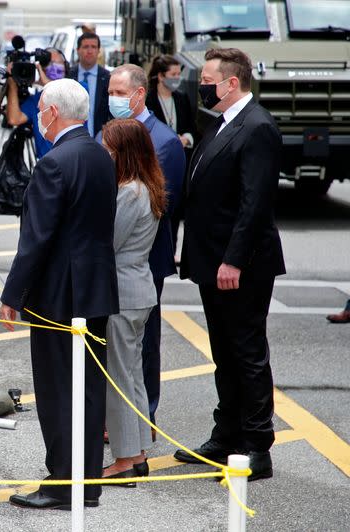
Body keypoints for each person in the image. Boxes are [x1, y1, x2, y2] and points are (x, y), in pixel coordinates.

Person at [0, 78, 119, 509]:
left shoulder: (55, 162)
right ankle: (86, 482)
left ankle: (62, 484)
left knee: (56, 390)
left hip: (58, 294)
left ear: (52, 112)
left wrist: (13, 293)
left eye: (42, 109)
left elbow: (37, 238)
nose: (38, 117)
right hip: (95, 290)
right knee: (87, 390)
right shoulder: (101, 155)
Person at [174, 48, 285, 482]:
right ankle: (227, 434)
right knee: (224, 352)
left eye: (207, 78)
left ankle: (257, 445)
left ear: (231, 82)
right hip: (212, 262)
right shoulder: (222, 122)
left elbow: (254, 203)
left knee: (247, 352)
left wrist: (233, 260)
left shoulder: (257, 126)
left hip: (241, 265)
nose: (201, 85)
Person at [106, 64, 185, 429]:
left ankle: (143, 415)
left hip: (142, 259)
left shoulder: (163, 141)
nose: (113, 99)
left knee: (141, 347)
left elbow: (157, 206)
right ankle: (122, 420)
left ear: (140, 94)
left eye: (121, 93)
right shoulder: (114, 133)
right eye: (111, 92)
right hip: (120, 262)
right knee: (119, 350)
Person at [100, 118, 165, 482]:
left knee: (120, 379)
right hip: (138, 290)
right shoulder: (146, 186)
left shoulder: (129, 192)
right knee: (133, 376)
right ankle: (137, 451)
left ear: (123, 151)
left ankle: (125, 459)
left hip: (124, 293)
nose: (105, 152)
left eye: (110, 147)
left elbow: (110, 242)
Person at [146, 54, 198, 249]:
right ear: (161, 76)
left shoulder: (181, 98)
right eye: (173, 74)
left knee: (176, 206)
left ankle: (172, 246)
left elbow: (192, 127)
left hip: (179, 159)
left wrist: (186, 138)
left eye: (179, 74)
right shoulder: (149, 99)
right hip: (156, 160)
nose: (177, 78)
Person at [4, 48, 67, 159]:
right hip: (47, 164)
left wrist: (45, 82)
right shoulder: (37, 99)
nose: (54, 66)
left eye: (58, 63)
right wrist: (12, 84)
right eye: (50, 63)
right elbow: (14, 119)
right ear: (41, 69)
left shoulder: (79, 89)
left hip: (72, 162)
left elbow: (60, 93)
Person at [68, 32, 111, 137]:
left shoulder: (108, 78)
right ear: (78, 50)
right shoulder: (68, 75)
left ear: (98, 51)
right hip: (72, 138)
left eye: (94, 47)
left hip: (99, 138)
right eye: (86, 47)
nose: (90, 51)